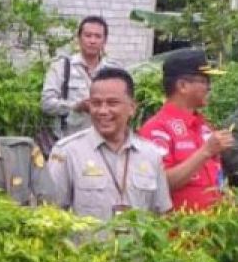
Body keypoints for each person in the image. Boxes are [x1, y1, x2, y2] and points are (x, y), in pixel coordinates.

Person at [46, 68, 171, 220]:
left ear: (132, 108)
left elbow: (161, 214)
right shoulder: (67, 152)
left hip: (136, 244)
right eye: (96, 103)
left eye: (112, 103)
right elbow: (50, 215)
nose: (103, 111)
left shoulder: (151, 154)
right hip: (88, 244)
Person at [138, 48, 232, 212]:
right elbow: (159, 183)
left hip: (212, 230)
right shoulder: (156, 129)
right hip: (178, 233)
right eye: (204, 81)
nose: (209, 87)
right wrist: (205, 152)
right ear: (182, 86)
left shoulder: (205, 126)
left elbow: (215, 176)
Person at [40, 16, 124, 143]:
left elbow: (124, 103)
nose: (92, 41)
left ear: (104, 41)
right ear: (79, 39)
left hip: (105, 141)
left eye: (97, 36)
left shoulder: (114, 69)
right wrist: (75, 106)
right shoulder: (62, 66)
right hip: (70, 141)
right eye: (88, 35)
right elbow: (46, 103)